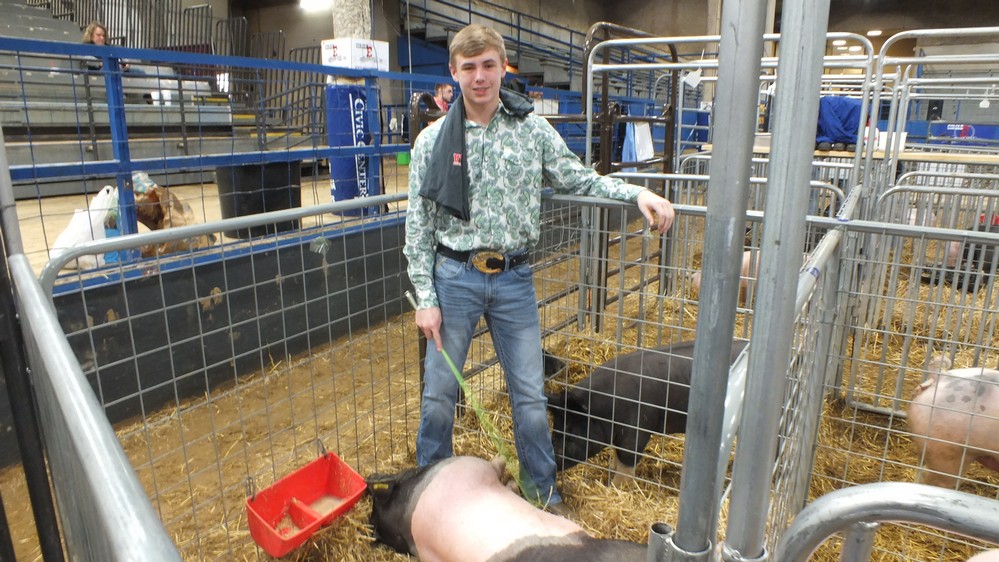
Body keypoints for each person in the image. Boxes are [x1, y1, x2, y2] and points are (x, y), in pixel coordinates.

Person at [403, 23, 674, 516]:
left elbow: (578, 176)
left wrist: (636, 193)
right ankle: (428, 497)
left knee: (529, 394)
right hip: (454, 278)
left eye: (488, 66)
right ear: (453, 72)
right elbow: (418, 226)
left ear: (502, 67)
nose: (480, 77)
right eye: (469, 68)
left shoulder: (531, 128)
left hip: (513, 280)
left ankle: (543, 495)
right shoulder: (431, 142)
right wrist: (425, 297)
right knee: (440, 395)